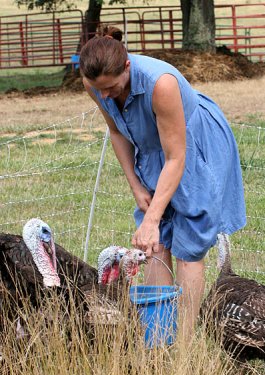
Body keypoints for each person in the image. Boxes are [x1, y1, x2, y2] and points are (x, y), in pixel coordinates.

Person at [79, 26, 246, 334]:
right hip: (154, 149)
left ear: (127, 66)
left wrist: (152, 217)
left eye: (112, 88)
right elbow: (116, 131)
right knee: (153, 245)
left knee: (188, 244)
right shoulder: (95, 82)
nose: (104, 95)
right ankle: (158, 338)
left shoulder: (161, 84)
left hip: (192, 147)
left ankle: (184, 344)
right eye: (98, 89)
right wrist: (136, 185)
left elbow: (176, 158)